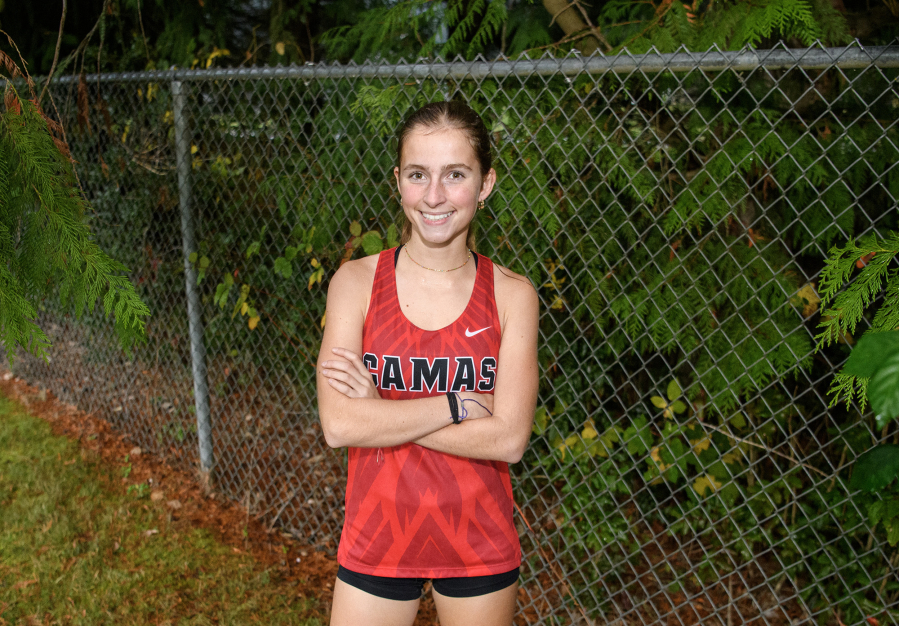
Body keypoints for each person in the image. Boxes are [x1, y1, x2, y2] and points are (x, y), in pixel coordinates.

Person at [317, 100, 539, 626]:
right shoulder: (355, 284)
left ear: (485, 184)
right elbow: (339, 424)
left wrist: (383, 411)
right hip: (377, 536)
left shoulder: (511, 295)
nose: (434, 196)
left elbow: (509, 439)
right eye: (419, 174)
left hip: (478, 540)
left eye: (455, 175)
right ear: (398, 180)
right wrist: (456, 404)